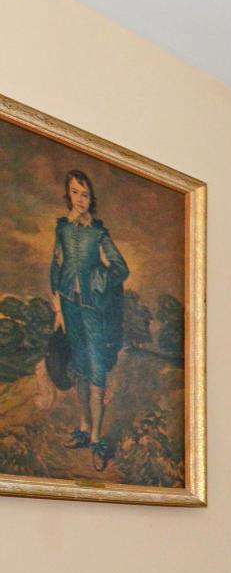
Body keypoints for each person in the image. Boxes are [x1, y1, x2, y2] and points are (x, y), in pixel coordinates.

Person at [49, 169, 128, 468]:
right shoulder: (62, 229)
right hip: (69, 308)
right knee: (79, 367)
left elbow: (120, 268)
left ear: (91, 197)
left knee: (96, 370)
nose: (80, 199)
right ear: (67, 194)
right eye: (75, 192)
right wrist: (58, 308)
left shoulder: (98, 233)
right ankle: (83, 428)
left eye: (85, 193)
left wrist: (97, 280)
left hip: (94, 311)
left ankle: (96, 437)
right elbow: (55, 267)